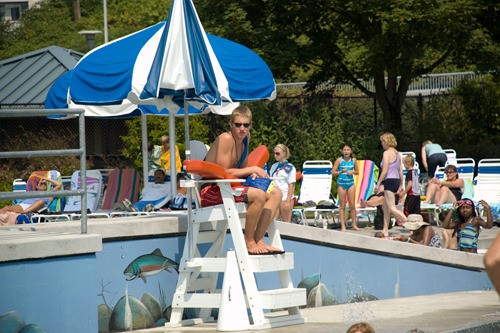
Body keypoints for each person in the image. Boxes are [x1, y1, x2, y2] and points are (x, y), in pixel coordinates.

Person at [203, 105, 283, 255]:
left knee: (276, 193)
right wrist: (253, 170)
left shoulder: (246, 138)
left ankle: (259, 239)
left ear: (250, 125)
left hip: (231, 187)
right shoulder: (226, 138)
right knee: (259, 195)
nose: (241, 128)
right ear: (231, 124)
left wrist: (251, 174)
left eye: (245, 125)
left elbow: (243, 167)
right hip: (212, 191)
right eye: (237, 124)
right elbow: (223, 172)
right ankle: (249, 241)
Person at [376, 132, 407, 237]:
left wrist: (378, 183)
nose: (382, 144)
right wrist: (401, 184)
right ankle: (385, 230)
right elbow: (400, 171)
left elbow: (384, 170)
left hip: (389, 180)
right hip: (396, 180)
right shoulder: (397, 153)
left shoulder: (386, 153)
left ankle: (412, 225)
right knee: (385, 207)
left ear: (387, 142)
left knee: (392, 207)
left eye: (382, 142)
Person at [333, 143, 360, 231]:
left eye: (348, 150)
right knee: (342, 206)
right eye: (344, 150)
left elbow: (357, 172)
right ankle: (343, 226)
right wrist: (340, 172)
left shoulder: (354, 160)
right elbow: (333, 173)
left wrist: (351, 172)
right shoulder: (339, 160)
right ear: (342, 151)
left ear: (351, 151)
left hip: (351, 184)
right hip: (341, 184)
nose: (346, 151)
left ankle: (354, 224)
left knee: (352, 205)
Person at [269, 144, 296, 222]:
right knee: (273, 221)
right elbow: (272, 181)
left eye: (277, 153)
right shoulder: (274, 166)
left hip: (285, 197)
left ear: (284, 153)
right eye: (274, 153)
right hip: (275, 197)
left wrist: (288, 201)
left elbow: (291, 185)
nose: (275, 155)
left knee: (286, 222)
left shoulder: (290, 167)